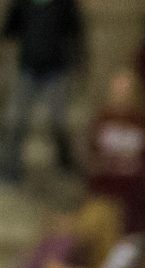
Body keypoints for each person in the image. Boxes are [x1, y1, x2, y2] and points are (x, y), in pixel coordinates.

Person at [0, 0, 84, 184]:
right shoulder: (22, 5)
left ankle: (65, 162)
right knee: (16, 118)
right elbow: (9, 32)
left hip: (56, 71)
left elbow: (76, 34)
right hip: (28, 69)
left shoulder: (64, 5)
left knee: (58, 120)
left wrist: (79, 65)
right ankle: (9, 168)